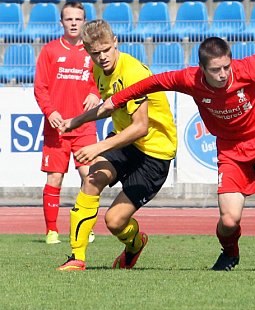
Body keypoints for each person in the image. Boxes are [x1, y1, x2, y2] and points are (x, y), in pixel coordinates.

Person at [97, 0, 255, 271]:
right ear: (202, 69)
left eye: (226, 67)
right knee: (229, 221)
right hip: (231, 149)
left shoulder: (251, 67)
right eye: (215, 70)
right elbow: (153, 82)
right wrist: (116, 99)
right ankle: (230, 253)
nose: (223, 74)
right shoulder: (189, 80)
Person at [56, 19, 177, 271]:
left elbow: (141, 127)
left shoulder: (132, 73)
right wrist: (76, 121)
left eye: (106, 51)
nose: (101, 58)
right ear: (88, 52)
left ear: (115, 43)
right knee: (92, 178)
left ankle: (135, 244)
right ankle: (77, 258)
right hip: (125, 140)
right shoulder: (98, 70)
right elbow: (110, 105)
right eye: (95, 53)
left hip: (154, 153)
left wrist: (98, 147)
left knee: (114, 222)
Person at [34, 1, 100, 245]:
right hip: (57, 127)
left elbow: (103, 78)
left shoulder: (93, 52)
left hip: (83, 125)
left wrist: (96, 93)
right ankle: (52, 231)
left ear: (84, 22)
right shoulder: (50, 51)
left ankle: (85, 227)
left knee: (90, 177)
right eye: (69, 19)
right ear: (61, 23)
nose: (73, 23)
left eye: (78, 19)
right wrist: (50, 112)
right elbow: (40, 87)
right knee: (54, 178)